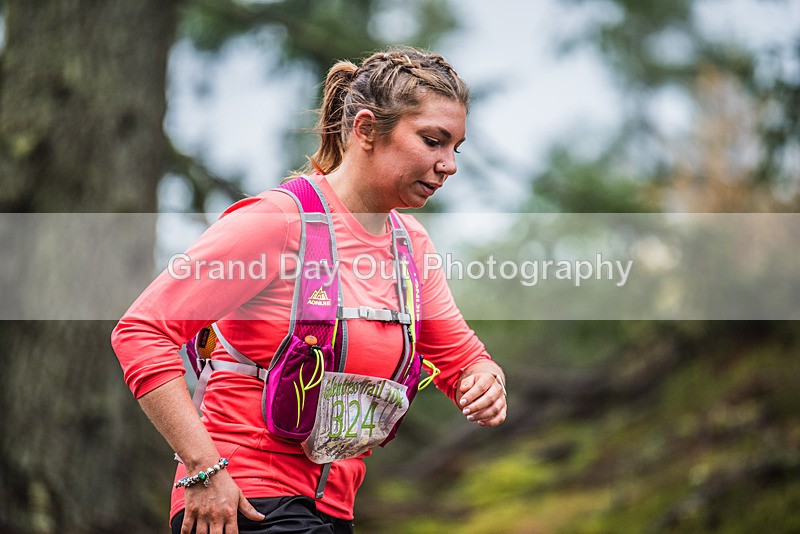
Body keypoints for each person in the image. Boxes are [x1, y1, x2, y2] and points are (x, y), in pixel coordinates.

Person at [112, 46, 507, 533]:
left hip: (333, 510)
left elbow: (461, 357)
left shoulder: (412, 245)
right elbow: (140, 331)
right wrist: (203, 469)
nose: (448, 165)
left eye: (455, 148)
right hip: (243, 501)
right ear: (364, 130)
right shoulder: (276, 222)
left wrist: (485, 379)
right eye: (433, 141)